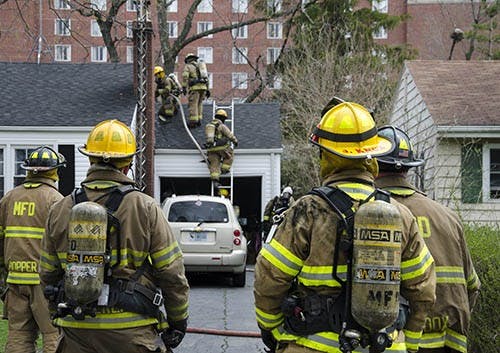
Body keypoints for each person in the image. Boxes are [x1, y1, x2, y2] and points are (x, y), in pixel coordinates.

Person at [254, 102, 436, 353]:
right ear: (371, 156)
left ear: (325, 155)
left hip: (313, 346)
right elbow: (423, 289)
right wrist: (410, 342)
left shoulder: (307, 211)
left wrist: (272, 329)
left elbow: (268, 278)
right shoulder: (400, 214)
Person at [40, 119, 190, 353]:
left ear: (90, 159)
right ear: (127, 165)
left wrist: (56, 312)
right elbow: (171, 272)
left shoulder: (60, 209)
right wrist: (178, 321)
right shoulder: (145, 207)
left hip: (76, 329)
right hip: (131, 330)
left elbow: (48, 273)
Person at [375, 125, 481, 353]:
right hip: (449, 343)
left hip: (395, 344)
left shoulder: (371, 213)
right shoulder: (448, 217)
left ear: (371, 165)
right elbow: (472, 286)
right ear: (408, 169)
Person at [0, 145, 66, 353]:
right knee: (52, 335)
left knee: (18, 336)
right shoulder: (56, 200)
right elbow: (62, 244)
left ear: (28, 170)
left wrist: (3, 274)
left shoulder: (9, 198)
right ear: (54, 171)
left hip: (15, 280)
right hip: (44, 284)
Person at [204, 109, 238, 193]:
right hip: (221, 147)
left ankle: (215, 180)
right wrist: (235, 141)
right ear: (223, 118)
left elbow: (209, 139)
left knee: (214, 164)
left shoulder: (209, 126)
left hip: (211, 149)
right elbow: (229, 135)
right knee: (229, 156)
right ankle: (224, 169)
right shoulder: (221, 126)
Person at [181, 53, 209, 128]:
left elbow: (185, 76)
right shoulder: (200, 66)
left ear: (188, 60)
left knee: (193, 104)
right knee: (199, 103)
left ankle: (193, 121)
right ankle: (199, 119)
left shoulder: (188, 66)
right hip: (203, 88)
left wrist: (184, 87)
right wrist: (208, 90)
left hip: (195, 88)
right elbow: (206, 78)